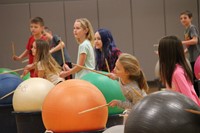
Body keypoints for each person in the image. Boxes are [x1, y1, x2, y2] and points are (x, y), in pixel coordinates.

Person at [158, 35, 200, 106]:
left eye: (160, 50)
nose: (158, 53)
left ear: (167, 53)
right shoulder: (170, 70)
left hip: (188, 110)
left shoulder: (177, 73)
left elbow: (188, 97)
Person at [180, 10, 200, 96]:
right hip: (192, 58)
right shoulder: (185, 31)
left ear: (190, 18)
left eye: (185, 18)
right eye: (181, 18)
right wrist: (183, 52)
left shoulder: (192, 28)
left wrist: (182, 42)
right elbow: (189, 46)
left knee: (196, 78)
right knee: (193, 78)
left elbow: (195, 41)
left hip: (197, 58)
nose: (183, 20)